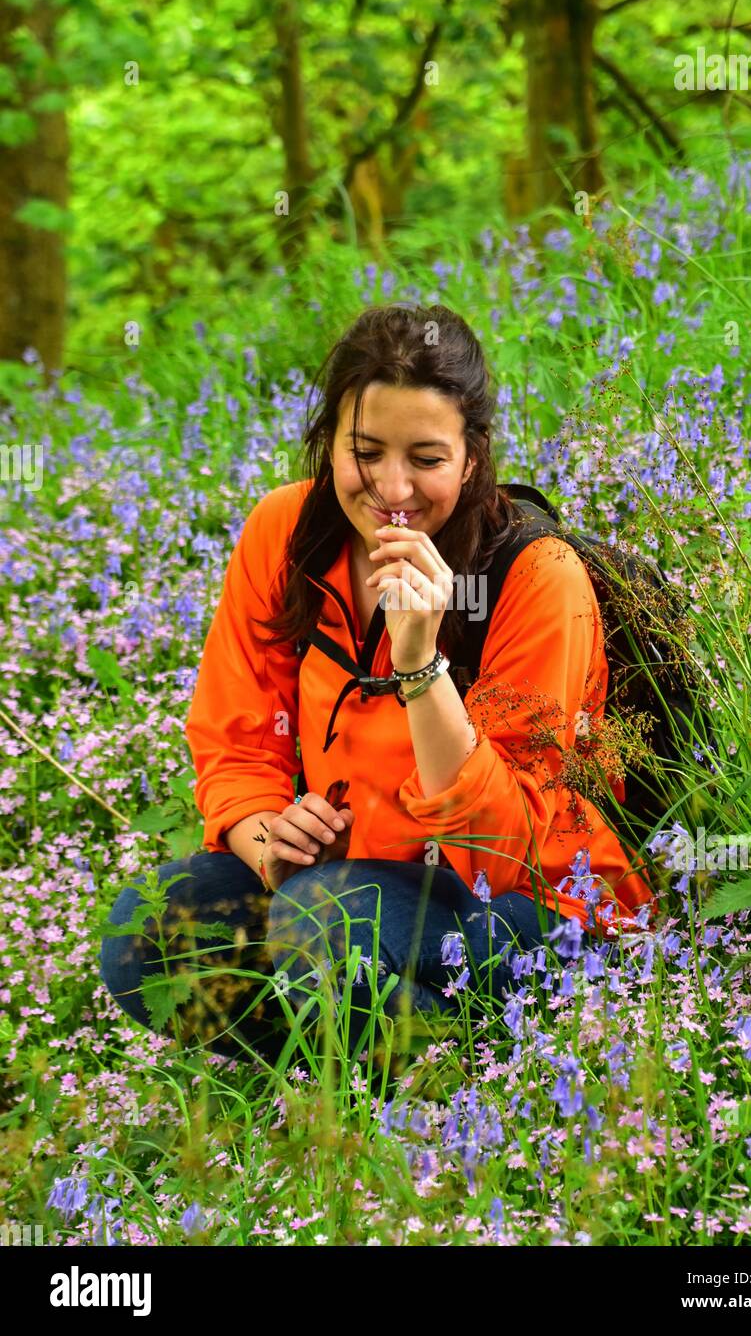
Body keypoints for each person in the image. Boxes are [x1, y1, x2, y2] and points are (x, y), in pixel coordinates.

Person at [100, 303, 656, 1070]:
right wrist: (267, 840)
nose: (392, 490)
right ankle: (374, 1051)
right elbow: (235, 740)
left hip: (537, 905)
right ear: (329, 444)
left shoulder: (536, 577)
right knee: (148, 934)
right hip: (343, 883)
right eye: (366, 452)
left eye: (426, 458)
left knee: (318, 924)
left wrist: (421, 660)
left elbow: (510, 847)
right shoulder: (286, 533)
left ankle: (461, 1071)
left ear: (471, 459)